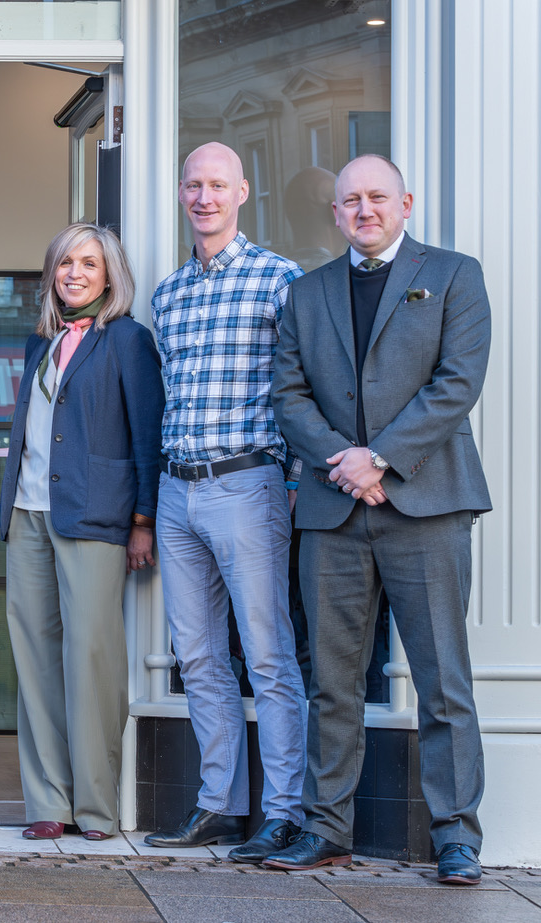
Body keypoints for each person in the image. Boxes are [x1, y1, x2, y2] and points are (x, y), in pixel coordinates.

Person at [266, 154, 492, 884]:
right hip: (334, 511)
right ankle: (326, 827)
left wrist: (383, 459)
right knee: (331, 683)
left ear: (406, 202)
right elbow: (288, 395)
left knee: (441, 678)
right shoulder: (306, 293)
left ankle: (456, 834)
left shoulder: (456, 275)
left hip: (426, 504)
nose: (364, 209)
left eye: (377, 197)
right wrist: (345, 461)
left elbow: (457, 383)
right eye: (350, 200)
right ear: (335, 213)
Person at [145, 142, 308, 864]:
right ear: (182, 193)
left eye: (217, 184)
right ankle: (219, 804)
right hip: (176, 487)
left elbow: (303, 388)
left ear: (244, 189)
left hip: (248, 482)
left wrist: (297, 479)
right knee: (200, 655)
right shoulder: (168, 293)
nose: (204, 196)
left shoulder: (282, 280)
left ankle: (284, 811)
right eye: (193, 184)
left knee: (269, 657)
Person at [0, 223, 164, 840]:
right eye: (64, 262)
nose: (74, 273)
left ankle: (96, 806)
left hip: (96, 516)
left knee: (91, 658)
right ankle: (48, 803)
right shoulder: (39, 344)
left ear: (109, 274)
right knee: (35, 661)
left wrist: (142, 522)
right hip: (28, 513)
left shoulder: (127, 339)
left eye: (87, 264)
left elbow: (148, 437)